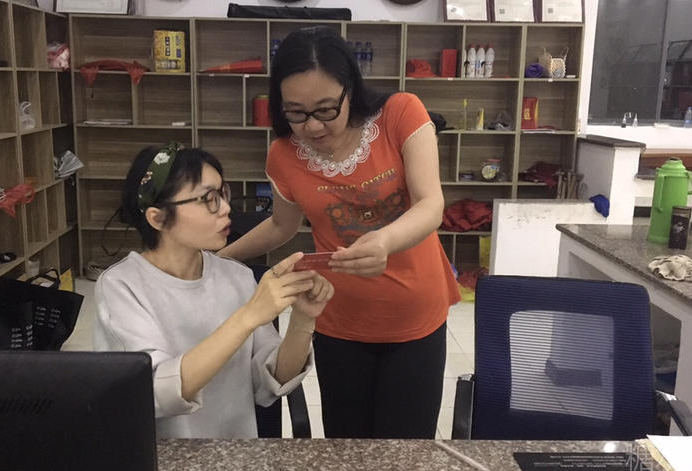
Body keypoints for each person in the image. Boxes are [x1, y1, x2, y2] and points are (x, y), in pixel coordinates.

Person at [219, 26, 461, 439]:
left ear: (351, 90)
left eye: (326, 109)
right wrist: (218, 260)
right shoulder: (283, 154)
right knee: (346, 447)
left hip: (414, 313)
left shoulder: (400, 113)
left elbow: (430, 205)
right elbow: (281, 225)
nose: (313, 126)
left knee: (406, 451)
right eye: (296, 113)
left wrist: (384, 240)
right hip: (339, 319)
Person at [94, 143, 333, 438]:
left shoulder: (237, 277)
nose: (226, 208)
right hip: (160, 460)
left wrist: (302, 320)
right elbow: (157, 392)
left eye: (223, 193)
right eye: (208, 199)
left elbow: (272, 379)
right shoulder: (122, 286)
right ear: (158, 218)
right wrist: (247, 317)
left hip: (236, 455)